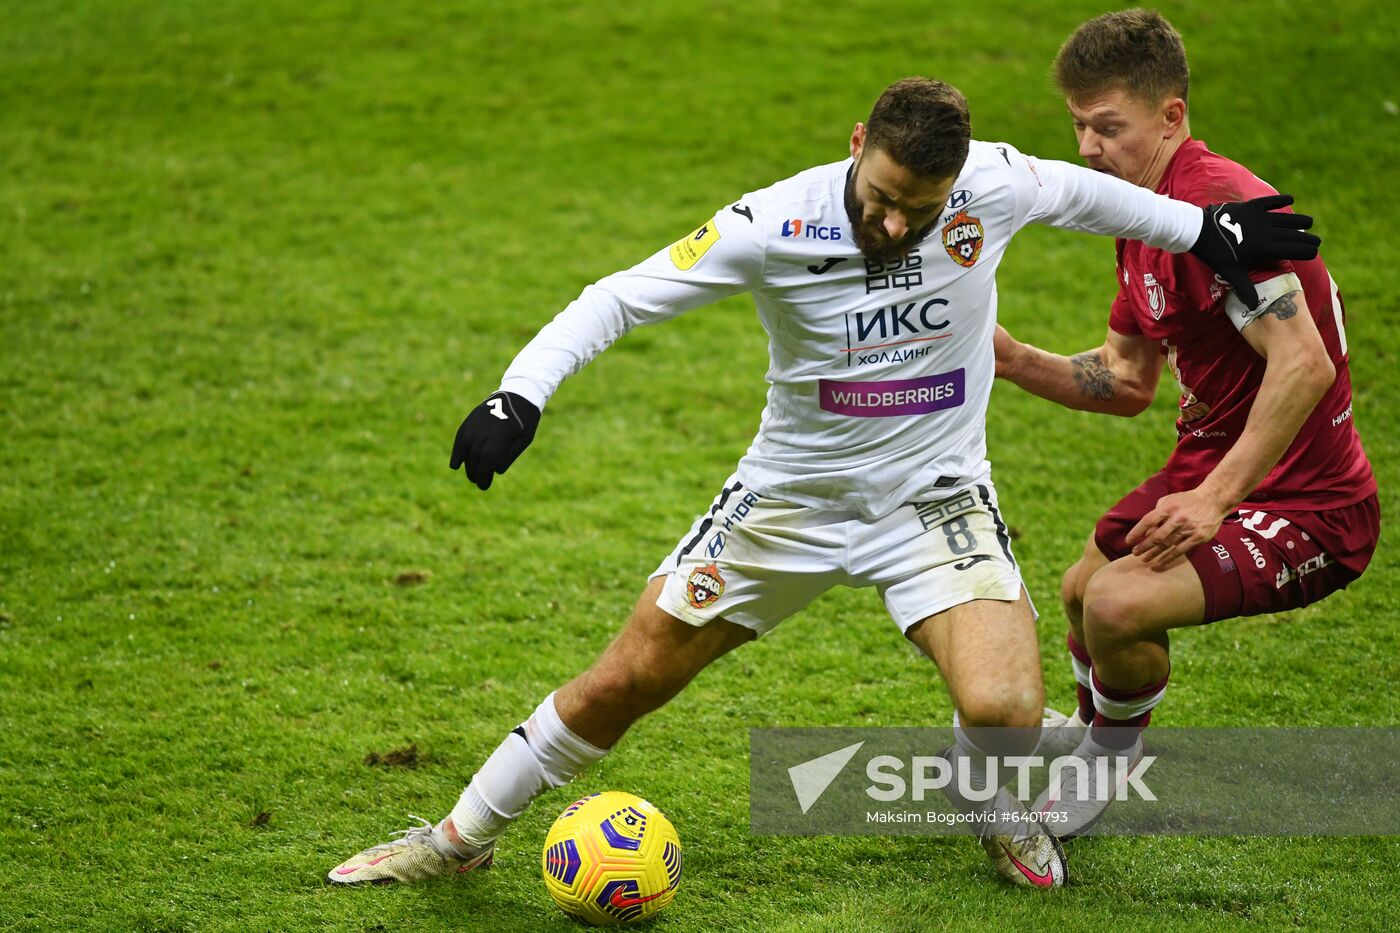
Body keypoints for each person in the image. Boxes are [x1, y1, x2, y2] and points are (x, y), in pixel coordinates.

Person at [327, 77, 1315, 891]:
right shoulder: (770, 222)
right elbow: (617, 298)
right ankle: (452, 840)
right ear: (856, 144)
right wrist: (518, 397)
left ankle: (993, 802)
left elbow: (1091, 196)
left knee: (1006, 712)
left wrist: (1201, 231)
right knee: (626, 679)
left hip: (933, 503)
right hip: (787, 503)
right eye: (881, 195)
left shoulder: (991, 187)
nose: (893, 221)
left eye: (916, 209)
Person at [992, 9, 1378, 837]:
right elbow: (1128, 378)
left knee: (1119, 605)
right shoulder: (1147, 213)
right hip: (1213, 462)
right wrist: (1015, 358)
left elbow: (1304, 365)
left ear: (1171, 116)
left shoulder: (1221, 215)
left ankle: (1105, 764)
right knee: (1077, 591)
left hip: (1308, 498)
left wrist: (1212, 499)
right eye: (1078, 127)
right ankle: (1101, 730)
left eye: (1107, 127)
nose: (1088, 149)